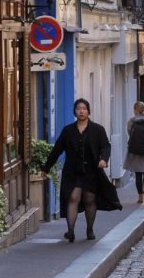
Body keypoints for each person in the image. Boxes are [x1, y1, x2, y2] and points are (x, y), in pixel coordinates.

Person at [43, 98, 116, 242]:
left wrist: (103, 159)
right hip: (72, 171)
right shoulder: (68, 130)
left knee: (90, 199)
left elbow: (106, 146)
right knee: (73, 197)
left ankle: (89, 229)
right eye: (78, 109)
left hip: (91, 170)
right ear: (75, 112)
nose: (81, 111)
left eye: (84, 108)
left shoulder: (97, 129)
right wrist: (46, 168)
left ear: (88, 111)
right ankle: (70, 231)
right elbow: (57, 150)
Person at [124, 102, 144, 205]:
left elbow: (129, 133)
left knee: (138, 174)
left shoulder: (131, 122)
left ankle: (140, 197)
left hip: (134, 150)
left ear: (135, 110)